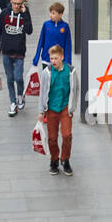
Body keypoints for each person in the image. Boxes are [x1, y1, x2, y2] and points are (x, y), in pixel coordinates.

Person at [37, 44, 74, 174]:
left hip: (64, 108)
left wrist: (72, 107)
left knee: (67, 135)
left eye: (56, 58)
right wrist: (41, 111)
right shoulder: (46, 73)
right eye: (51, 58)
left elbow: (76, 89)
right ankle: (54, 160)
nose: (53, 61)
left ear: (62, 57)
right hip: (51, 109)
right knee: (52, 138)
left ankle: (65, 159)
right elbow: (42, 92)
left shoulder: (70, 72)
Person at [0, 0, 33, 115]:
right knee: (9, 78)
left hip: (19, 52)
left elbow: (29, 31)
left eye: (19, 4)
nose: (16, 6)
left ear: (22, 3)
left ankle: (20, 96)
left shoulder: (25, 13)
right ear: (10, 2)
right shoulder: (4, 13)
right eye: (14, 3)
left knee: (18, 77)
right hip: (6, 51)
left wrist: (24, 15)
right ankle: (13, 102)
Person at [35, 1, 73, 68]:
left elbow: (68, 46)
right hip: (46, 59)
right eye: (50, 13)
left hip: (60, 61)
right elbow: (41, 42)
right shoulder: (46, 25)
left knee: (57, 78)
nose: (50, 15)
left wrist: (68, 63)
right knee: (47, 78)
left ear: (60, 14)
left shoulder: (65, 26)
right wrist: (36, 59)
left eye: (53, 13)